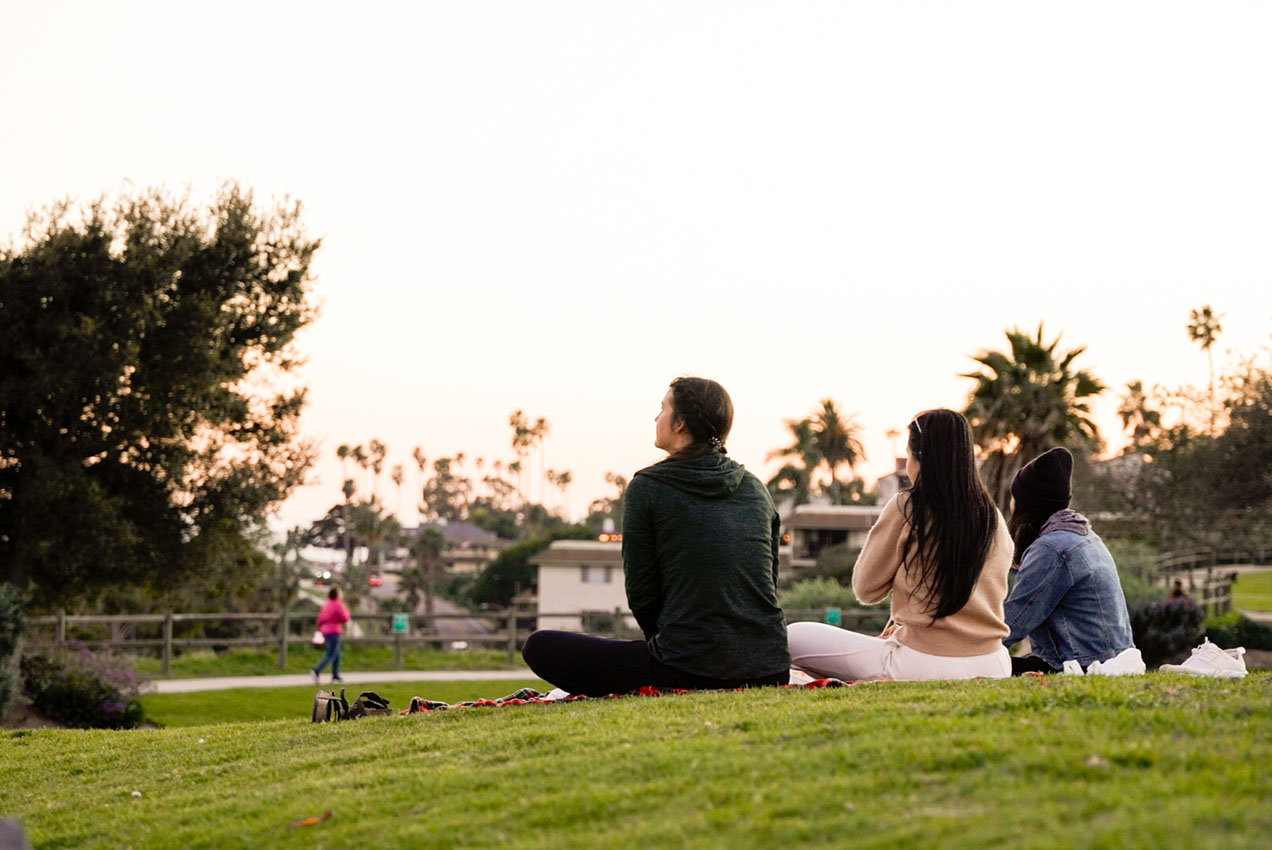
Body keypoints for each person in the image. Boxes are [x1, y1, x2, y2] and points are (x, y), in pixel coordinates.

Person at [521, 377, 790, 695]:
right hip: (770, 668)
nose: (656, 418)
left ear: (680, 424)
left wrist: (670, 649)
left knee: (539, 646)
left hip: (686, 668)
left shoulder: (647, 487)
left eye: (663, 409)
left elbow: (642, 592)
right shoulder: (756, 488)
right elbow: (767, 583)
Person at [788, 409, 1013, 681]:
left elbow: (866, 589)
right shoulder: (993, 517)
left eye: (909, 456)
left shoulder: (908, 506)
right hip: (995, 663)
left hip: (922, 663)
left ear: (920, 460)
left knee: (792, 636)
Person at [1001, 447, 1139, 675]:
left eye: (1015, 498)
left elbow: (1014, 621)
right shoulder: (1084, 535)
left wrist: (971, 652)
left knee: (989, 666)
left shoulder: (1052, 548)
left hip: (1082, 664)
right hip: (1110, 658)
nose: (1011, 505)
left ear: (1028, 504)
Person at [312, 586, 351, 684]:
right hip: (334, 631)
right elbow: (344, 618)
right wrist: (346, 611)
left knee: (337, 654)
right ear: (338, 595)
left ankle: (335, 675)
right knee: (331, 654)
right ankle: (316, 670)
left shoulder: (326, 605)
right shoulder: (338, 605)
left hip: (325, 631)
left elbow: (320, 619)